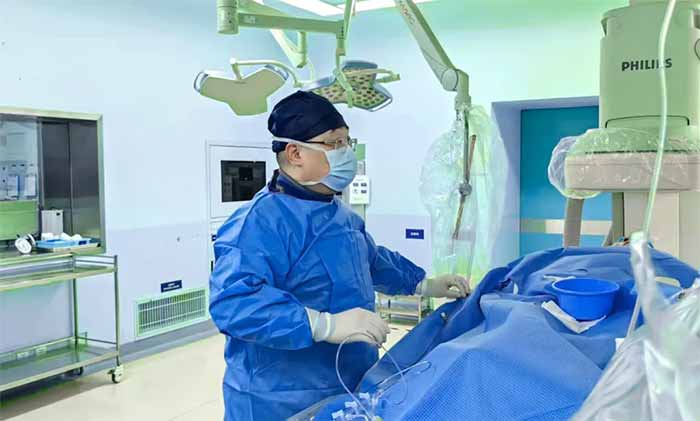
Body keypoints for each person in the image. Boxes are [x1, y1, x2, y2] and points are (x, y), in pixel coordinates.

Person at [209, 91, 469, 420]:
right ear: (295, 153)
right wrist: (324, 325)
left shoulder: (341, 215)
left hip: (352, 380)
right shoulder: (258, 224)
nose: (347, 152)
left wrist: (425, 285)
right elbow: (234, 303)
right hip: (280, 398)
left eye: (347, 141)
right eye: (335, 143)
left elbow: (370, 261)